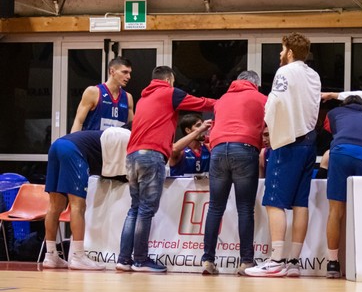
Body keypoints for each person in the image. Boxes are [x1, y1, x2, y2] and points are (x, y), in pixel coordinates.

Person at [116, 66, 215, 273]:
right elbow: (201, 103)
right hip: (152, 155)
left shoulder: (143, 99)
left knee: (135, 209)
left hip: (132, 156)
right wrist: (224, 104)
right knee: (145, 210)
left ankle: (124, 260)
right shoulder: (170, 93)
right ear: (169, 80)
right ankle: (140, 260)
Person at [245, 33, 321, 277]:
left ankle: (276, 260)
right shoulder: (314, 75)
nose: (280, 54)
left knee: (274, 201)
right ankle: (293, 263)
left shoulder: (285, 72)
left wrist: (269, 125)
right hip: (310, 142)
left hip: (288, 142)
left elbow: (275, 103)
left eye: (282, 49)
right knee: (300, 204)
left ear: (289, 52)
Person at [200, 70, 267, 276]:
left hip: (218, 149)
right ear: (255, 84)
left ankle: (207, 260)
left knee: (214, 208)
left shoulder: (222, 100)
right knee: (245, 209)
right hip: (245, 148)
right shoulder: (262, 99)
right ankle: (246, 262)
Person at [43, 126, 131, 270]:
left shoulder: (109, 135)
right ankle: (78, 256)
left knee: (54, 206)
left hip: (57, 145)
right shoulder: (127, 137)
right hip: (73, 150)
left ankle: (50, 255)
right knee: (78, 206)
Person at [322, 96, 362, 278]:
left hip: (341, 152)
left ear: (344, 105)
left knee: (335, 211)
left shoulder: (334, 113)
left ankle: (332, 263)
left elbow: (330, 130)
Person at [71, 56, 134, 132]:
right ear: (112, 71)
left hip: (117, 139)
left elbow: (132, 127)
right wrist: (72, 139)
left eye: (129, 73)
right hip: (94, 139)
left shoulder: (128, 97)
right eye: (124, 72)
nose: (128, 77)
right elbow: (78, 122)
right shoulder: (93, 92)